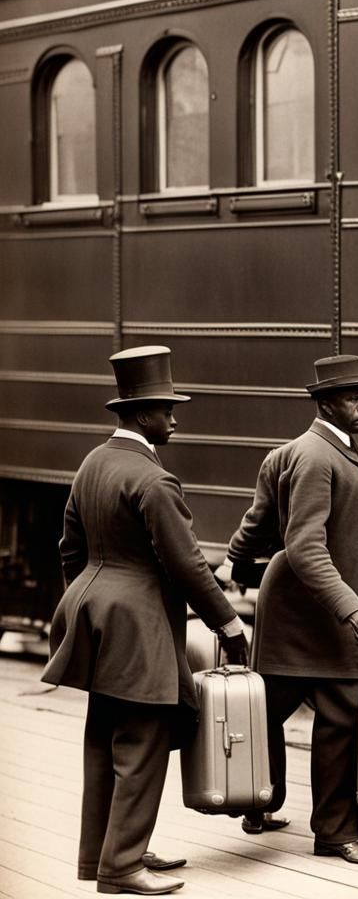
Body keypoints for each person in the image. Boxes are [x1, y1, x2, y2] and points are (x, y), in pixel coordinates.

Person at [42, 345, 249, 896]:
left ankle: (105, 854)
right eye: (166, 409)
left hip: (99, 617)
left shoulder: (93, 463)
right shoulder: (155, 482)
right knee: (143, 740)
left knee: (103, 738)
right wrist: (229, 624)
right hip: (138, 626)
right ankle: (122, 868)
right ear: (140, 415)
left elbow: (70, 546)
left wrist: (91, 601)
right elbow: (185, 565)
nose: (175, 417)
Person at [226, 354, 358, 865]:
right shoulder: (319, 456)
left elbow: (259, 521)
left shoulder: (302, 450)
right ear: (324, 404)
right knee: (334, 715)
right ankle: (335, 834)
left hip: (299, 606)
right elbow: (306, 547)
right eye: (352, 398)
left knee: (270, 709)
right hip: (315, 611)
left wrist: (237, 559)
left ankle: (260, 803)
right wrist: (350, 607)